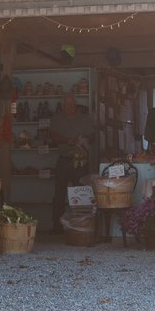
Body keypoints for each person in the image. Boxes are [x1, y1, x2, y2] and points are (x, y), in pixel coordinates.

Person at [49, 92, 96, 233]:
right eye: (66, 105)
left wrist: (86, 138)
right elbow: (52, 136)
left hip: (80, 161)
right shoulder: (57, 118)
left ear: (75, 105)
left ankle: (81, 226)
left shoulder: (84, 119)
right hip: (64, 160)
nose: (69, 107)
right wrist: (67, 140)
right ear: (62, 106)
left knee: (81, 193)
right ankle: (57, 227)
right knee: (59, 193)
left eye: (72, 105)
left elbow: (93, 138)